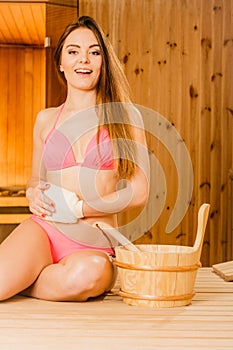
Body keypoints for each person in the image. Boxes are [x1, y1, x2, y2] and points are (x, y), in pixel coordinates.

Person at [0, 16, 149, 302]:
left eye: (94, 52)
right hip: (43, 230)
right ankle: (30, 272)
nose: (84, 59)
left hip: (94, 240)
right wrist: (32, 192)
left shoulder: (126, 117)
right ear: (61, 63)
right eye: (73, 51)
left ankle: (27, 278)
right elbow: (35, 178)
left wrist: (80, 208)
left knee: (88, 275)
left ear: (103, 62)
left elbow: (139, 192)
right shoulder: (46, 119)